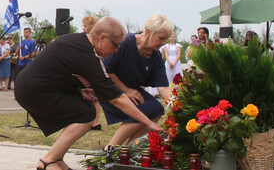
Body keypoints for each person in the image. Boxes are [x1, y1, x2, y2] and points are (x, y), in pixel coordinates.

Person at [15, 17, 163, 170]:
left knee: (84, 111)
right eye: (116, 45)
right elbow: (117, 99)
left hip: (33, 86)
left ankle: (56, 159)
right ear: (102, 38)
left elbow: (57, 71)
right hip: (34, 91)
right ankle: (49, 161)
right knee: (85, 115)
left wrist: (79, 90)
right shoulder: (87, 54)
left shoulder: (79, 42)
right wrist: (149, 123)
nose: (117, 50)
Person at [101, 14, 173, 147]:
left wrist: (176, 105)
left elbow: (163, 87)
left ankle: (129, 149)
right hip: (109, 88)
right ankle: (110, 149)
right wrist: (126, 90)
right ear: (148, 32)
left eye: (166, 40)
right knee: (142, 112)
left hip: (131, 92)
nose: (164, 43)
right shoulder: (126, 42)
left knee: (156, 109)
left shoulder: (156, 55)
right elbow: (106, 69)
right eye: (161, 38)